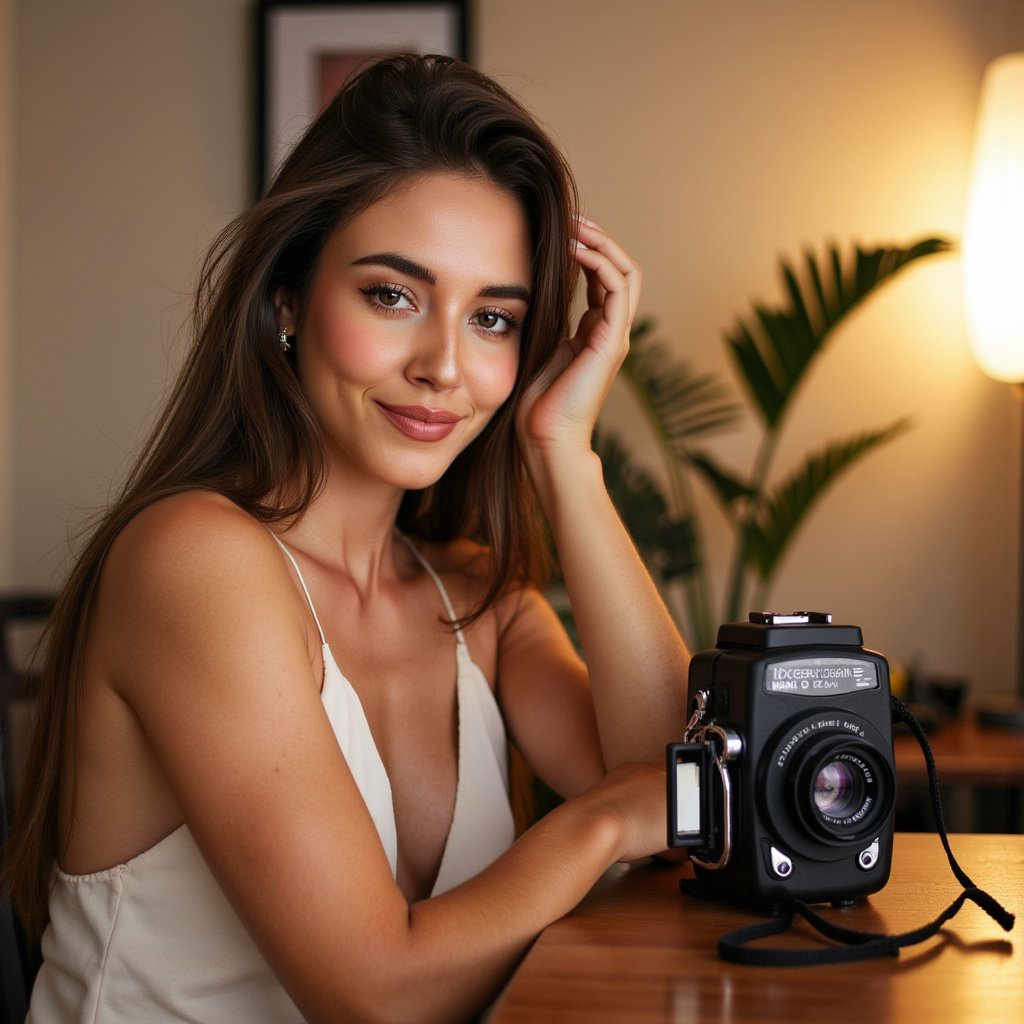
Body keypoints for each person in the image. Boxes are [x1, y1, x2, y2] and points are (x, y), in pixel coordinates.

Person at [4, 54, 689, 1023]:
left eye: (493, 319)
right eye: (392, 296)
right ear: (287, 297)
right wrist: (607, 818)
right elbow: (375, 990)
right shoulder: (192, 562)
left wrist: (564, 450)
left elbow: (689, 795)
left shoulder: (478, 599)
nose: (444, 365)